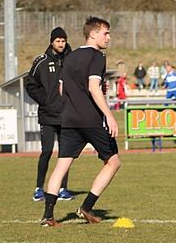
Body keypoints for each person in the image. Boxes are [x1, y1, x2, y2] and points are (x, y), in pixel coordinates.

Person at [40, 16, 121, 227]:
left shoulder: (70, 57)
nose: (108, 37)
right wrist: (109, 115)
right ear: (92, 34)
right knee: (113, 162)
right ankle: (86, 207)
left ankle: (48, 216)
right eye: (105, 33)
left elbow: (61, 89)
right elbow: (93, 88)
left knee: (61, 166)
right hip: (90, 119)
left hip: (69, 119)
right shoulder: (97, 57)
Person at [25, 27, 74, 203]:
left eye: (63, 41)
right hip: (47, 115)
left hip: (66, 115)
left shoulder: (72, 60)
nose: (61, 44)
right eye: (58, 41)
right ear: (52, 42)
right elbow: (30, 85)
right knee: (46, 151)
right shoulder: (42, 61)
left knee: (65, 153)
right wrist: (44, 100)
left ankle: (62, 189)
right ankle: (39, 188)